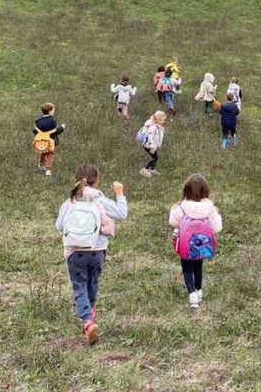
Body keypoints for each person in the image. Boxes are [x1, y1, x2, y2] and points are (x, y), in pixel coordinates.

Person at [55, 164, 128, 344]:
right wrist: (119, 193)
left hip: (75, 251)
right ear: (97, 182)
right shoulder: (100, 200)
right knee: (92, 281)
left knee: (79, 285)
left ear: (75, 180)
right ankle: (90, 309)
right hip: (98, 251)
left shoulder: (69, 202)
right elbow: (122, 213)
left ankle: (87, 321)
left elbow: (59, 226)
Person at [169, 174, 222, 310]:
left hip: (186, 244)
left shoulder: (181, 207)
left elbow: (173, 222)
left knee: (187, 268)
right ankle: (199, 291)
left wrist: (174, 209)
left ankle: (192, 294)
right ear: (205, 191)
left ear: (186, 190)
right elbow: (216, 227)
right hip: (202, 245)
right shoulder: (209, 208)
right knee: (198, 267)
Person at [32, 102, 66, 177]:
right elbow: (54, 132)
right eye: (53, 110)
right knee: (49, 155)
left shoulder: (38, 121)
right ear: (50, 111)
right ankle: (48, 170)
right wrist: (62, 128)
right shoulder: (52, 122)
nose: (54, 112)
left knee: (42, 152)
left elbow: (35, 131)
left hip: (40, 142)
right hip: (50, 143)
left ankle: (41, 164)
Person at [139, 110, 167, 177]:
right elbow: (150, 137)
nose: (163, 122)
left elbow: (158, 136)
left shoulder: (157, 126)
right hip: (149, 145)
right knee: (154, 158)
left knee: (155, 157)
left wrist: (157, 145)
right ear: (158, 119)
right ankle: (144, 169)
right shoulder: (152, 127)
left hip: (153, 145)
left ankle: (151, 169)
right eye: (162, 120)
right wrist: (152, 146)